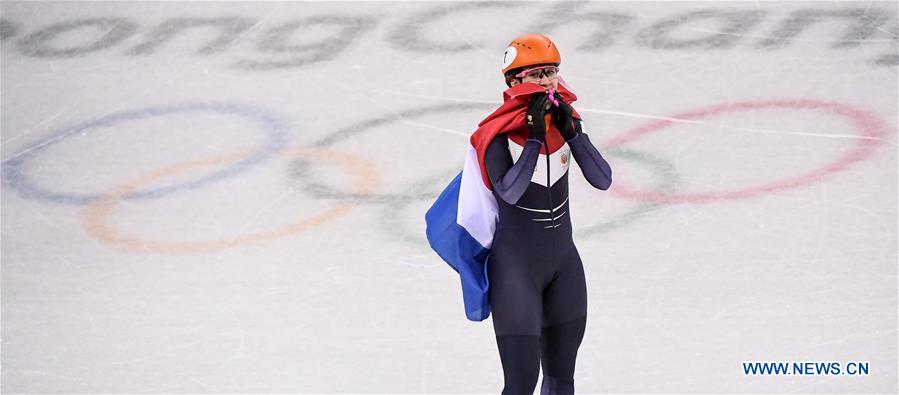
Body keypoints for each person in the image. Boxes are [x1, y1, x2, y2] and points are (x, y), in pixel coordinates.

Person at [484, 34, 613, 394]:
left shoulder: (565, 122)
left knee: (561, 378)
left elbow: (603, 180)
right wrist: (536, 139)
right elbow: (509, 192)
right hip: (515, 271)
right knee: (521, 383)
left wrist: (573, 134)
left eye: (551, 72)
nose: (546, 81)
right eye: (536, 73)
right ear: (513, 81)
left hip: (563, 265)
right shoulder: (497, 134)